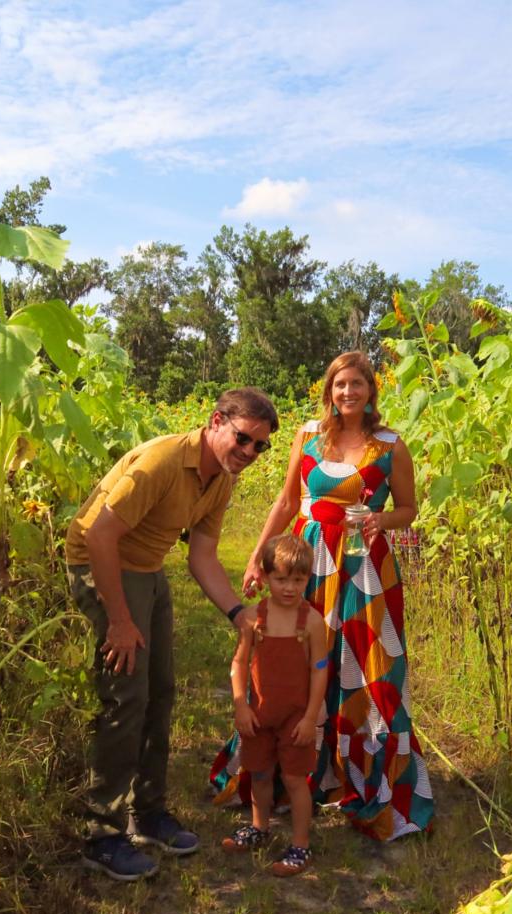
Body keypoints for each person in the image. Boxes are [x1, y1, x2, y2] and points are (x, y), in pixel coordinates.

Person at [209, 351, 435, 841]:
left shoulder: (391, 445)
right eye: (339, 385)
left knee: (367, 668)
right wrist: (256, 557)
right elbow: (288, 501)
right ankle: (292, 769)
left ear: (371, 390)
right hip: (308, 565)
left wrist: (383, 519)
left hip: (364, 571)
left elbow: (410, 509)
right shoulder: (310, 434)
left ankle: (362, 778)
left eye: (356, 384)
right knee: (292, 661)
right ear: (329, 390)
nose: (347, 393)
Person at [67, 387, 277, 881]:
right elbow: (98, 534)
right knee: (128, 696)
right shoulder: (162, 460)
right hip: (102, 564)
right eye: (243, 439)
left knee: (160, 692)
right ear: (216, 422)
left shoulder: (220, 480)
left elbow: (202, 556)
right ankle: (101, 833)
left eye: (259, 446)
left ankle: (147, 813)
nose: (248, 453)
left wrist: (237, 613)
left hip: (147, 569)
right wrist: (119, 620)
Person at [220, 534, 328, 876]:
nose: (289, 588)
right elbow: (239, 663)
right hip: (259, 714)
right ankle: (259, 827)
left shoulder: (311, 622)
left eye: (298, 580)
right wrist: (241, 705)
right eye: (280, 579)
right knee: (261, 772)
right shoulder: (253, 619)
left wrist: (311, 717)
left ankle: (300, 844)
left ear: (308, 579)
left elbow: (320, 671)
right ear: (265, 577)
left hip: (296, 718)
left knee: (296, 780)